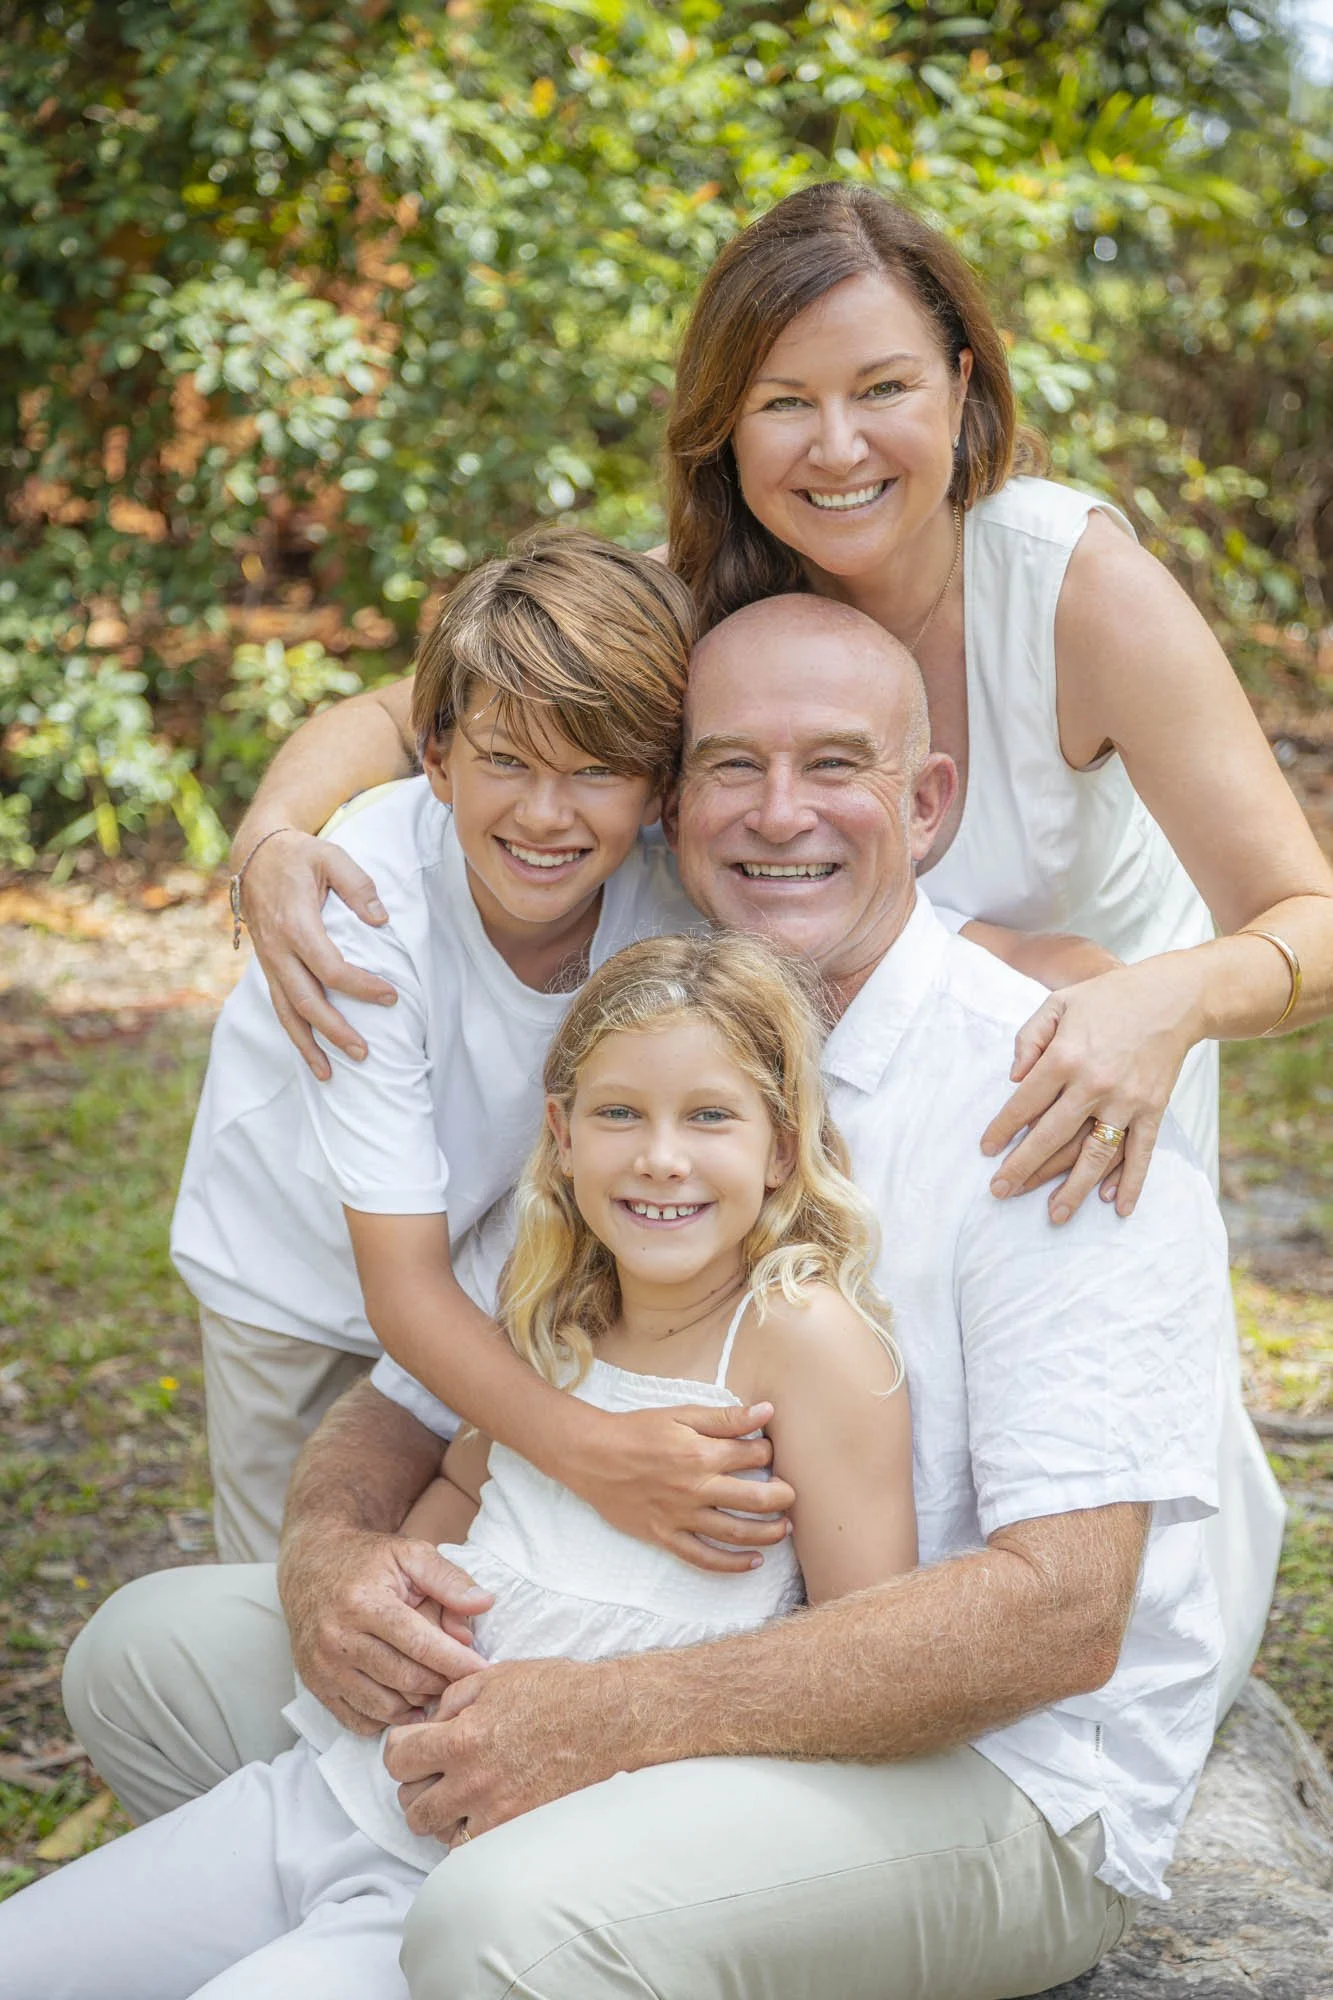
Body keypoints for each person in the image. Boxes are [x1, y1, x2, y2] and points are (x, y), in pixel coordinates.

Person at [218, 181, 1331, 1682]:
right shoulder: (714, 602)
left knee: (1049, 1497)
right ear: (724, 434)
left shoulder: (1076, 592)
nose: (837, 445)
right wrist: (276, 836)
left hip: (1067, 1079)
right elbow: (400, 708)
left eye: (882, 389)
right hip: (793, 1100)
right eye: (782, 403)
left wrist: (1171, 996)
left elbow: (1307, 918)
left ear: (964, 389)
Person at [63, 606, 1228, 1999]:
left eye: (834, 766)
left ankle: (509, 1919)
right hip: (576, 1656)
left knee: (505, 1917)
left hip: (1003, 1773)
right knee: (144, 1654)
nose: (778, 814)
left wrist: (608, 1722)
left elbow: (1057, 1619)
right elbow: (411, 1413)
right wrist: (335, 1566)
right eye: (731, 767)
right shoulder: (655, 1058)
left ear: (924, 804)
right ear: (673, 809)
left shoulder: (1051, 1091)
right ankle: (370, 1908)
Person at [2, 931, 915, 2000]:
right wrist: (391, 1593)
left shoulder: (800, 1336)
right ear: (562, 1136)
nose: (661, 1155)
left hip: (513, 1869)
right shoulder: (557, 1314)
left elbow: (867, 1650)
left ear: (780, 1143)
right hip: (338, 1790)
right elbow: (462, 1493)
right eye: (620, 1112)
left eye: (708, 1115)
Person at [169, 529, 794, 1569]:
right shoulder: (365, 910)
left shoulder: (670, 886)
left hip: (501, 1259)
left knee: (475, 1573)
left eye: (596, 771)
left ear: (657, 792)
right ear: (436, 758)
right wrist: (599, 1453)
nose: (545, 815)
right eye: (505, 760)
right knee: (304, 1585)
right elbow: (400, 1292)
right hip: (304, 1277)